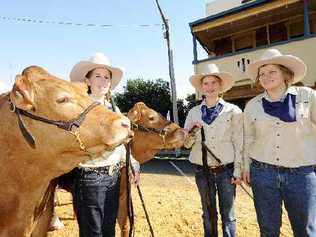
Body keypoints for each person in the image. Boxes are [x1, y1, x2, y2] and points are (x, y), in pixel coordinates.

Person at [243, 48, 316, 237]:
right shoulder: (252, 105)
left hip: (301, 176)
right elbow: (248, 138)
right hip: (263, 173)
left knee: (306, 231)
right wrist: (245, 167)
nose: (266, 77)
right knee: (268, 231)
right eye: (262, 74)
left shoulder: (307, 97)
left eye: (272, 71)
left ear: (285, 73)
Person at [70, 52, 140, 237]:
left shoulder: (114, 109)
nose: (103, 81)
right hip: (90, 178)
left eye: (106, 77)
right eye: (97, 76)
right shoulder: (80, 109)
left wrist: (133, 163)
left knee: (109, 230)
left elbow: (122, 145)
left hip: (113, 176)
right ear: (88, 81)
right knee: (92, 233)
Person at [184, 64, 243, 237]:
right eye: (206, 83)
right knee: (208, 213)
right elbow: (186, 144)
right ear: (201, 87)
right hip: (202, 171)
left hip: (226, 171)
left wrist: (238, 169)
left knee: (229, 214)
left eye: (213, 83)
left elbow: (239, 141)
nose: (209, 87)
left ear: (220, 86)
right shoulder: (193, 112)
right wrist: (193, 132)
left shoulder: (233, 111)